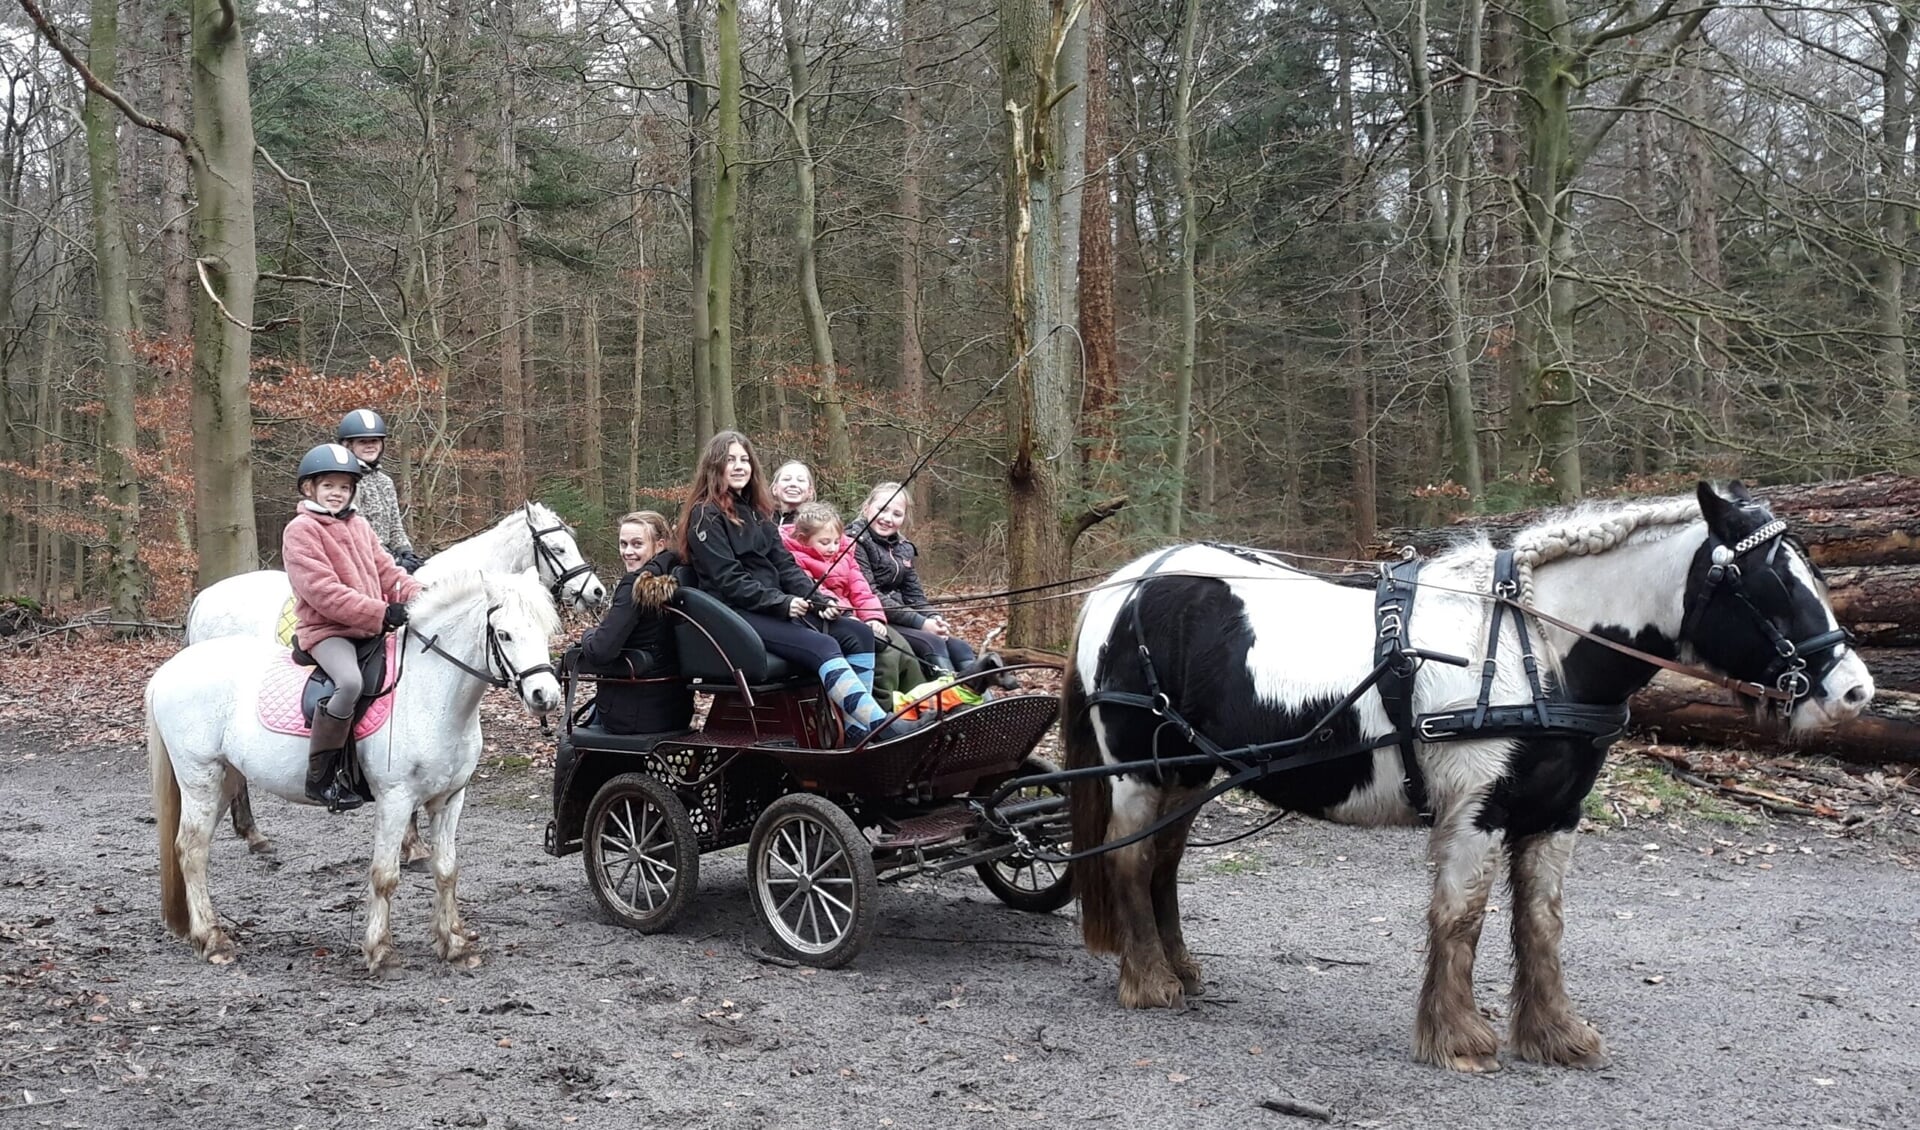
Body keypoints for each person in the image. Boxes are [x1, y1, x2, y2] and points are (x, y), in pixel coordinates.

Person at [678, 432, 916, 743]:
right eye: (730, 460)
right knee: (824, 646)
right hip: (734, 615)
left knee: (857, 633)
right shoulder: (705, 515)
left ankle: (857, 730)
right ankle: (881, 727)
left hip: (772, 606)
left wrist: (818, 599)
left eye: (744, 459)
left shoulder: (757, 512)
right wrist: (782, 602)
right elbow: (728, 579)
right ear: (714, 466)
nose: (739, 466)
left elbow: (786, 567)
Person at [282, 443, 421, 812]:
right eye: (328, 485)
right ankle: (322, 778)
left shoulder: (358, 524)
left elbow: (388, 570)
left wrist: (421, 596)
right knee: (350, 684)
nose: (336, 493)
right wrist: (382, 613)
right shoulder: (301, 530)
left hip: (368, 629)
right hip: (327, 632)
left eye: (344, 487)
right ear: (309, 488)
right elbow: (324, 593)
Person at [779, 501, 926, 696]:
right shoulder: (794, 558)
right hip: (829, 617)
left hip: (858, 616)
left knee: (901, 646)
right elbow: (815, 590)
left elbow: (861, 589)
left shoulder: (845, 554)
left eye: (836, 541)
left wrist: (873, 617)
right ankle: (882, 711)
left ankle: (921, 702)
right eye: (825, 542)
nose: (833, 548)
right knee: (886, 655)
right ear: (804, 539)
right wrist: (847, 614)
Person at [574, 511, 693, 735]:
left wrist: (588, 635)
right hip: (676, 709)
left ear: (659, 544)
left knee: (571, 740)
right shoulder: (680, 574)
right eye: (623, 544)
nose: (628, 552)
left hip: (633, 714)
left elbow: (601, 651)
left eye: (637, 544)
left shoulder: (635, 586)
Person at [848, 482, 980, 679]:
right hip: (873, 617)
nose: (887, 519)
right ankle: (951, 704)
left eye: (896, 514)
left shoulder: (903, 548)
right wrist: (920, 623)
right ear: (867, 508)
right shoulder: (853, 540)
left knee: (960, 647)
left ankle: (982, 705)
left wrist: (934, 618)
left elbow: (915, 595)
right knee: (932, 644)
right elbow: (870, 594)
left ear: (904, 519)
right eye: (882, 510)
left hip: (902, 615)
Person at [337, 408, 424, 572]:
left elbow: (395, 525)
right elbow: (358, 531)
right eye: (363, 442)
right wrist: (391, 559)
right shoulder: (346, 482)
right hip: (359, 561)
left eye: (374, 441)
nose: (370, 446)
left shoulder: (386, 482)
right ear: (348, 445)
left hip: (386, 559)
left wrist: (405, 551)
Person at [770, 460, 816, 526]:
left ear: (810, 491)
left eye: (800, 480)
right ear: (774, 489)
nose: (793, 484)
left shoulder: (817, 525)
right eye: (786, 479)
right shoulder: (761, 520)